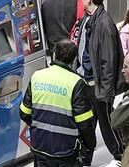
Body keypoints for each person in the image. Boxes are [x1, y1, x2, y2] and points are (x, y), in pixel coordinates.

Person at [19, 39, 95, 167]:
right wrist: (89, 146)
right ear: (73, 59)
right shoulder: (77, 83)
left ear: (54, 54)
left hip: (40, 146)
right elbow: (85, 123)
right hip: (65, 150)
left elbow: (24, 113)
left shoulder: (37, 76)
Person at [74, 0, 128, 166]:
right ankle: (85, 160)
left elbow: (108, 61)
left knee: (107, 124)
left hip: (97, 86)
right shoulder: (88, 19)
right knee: (87, 126)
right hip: (87, 82)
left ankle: (123, 156)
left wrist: (105, 90)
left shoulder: (104, 23)